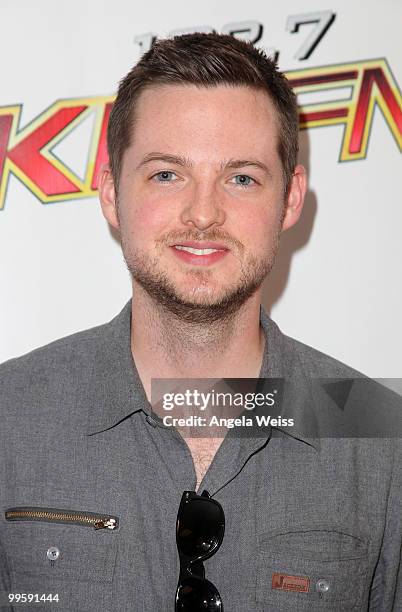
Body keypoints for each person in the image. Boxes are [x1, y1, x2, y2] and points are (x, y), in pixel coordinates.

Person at [0, 33, 400, 612]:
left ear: (289, 200)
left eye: (241, 178)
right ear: (112, 193)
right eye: (167, 174)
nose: (204, 213)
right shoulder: (11, 414)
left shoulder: (381, 435)